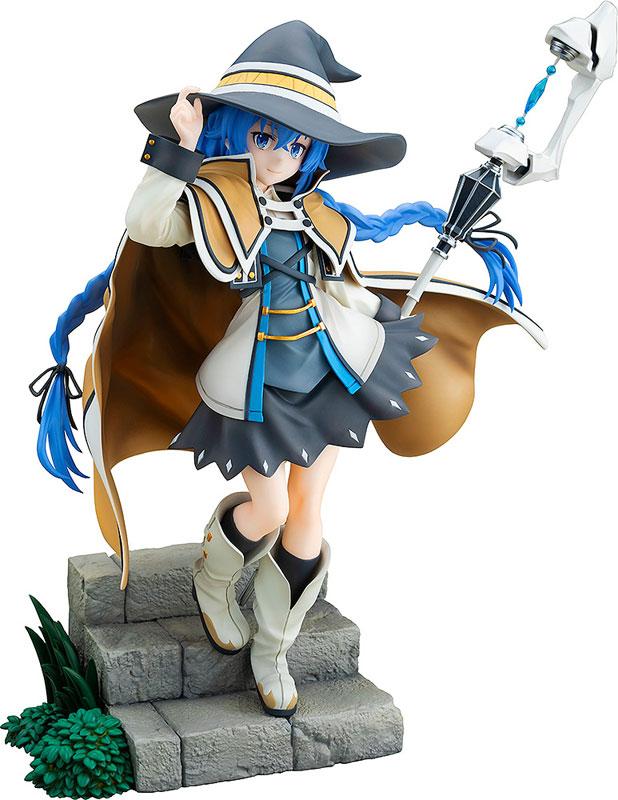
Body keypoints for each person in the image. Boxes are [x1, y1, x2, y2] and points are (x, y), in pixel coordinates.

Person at [30, 21, 542, 717]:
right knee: (268, 509)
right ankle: (214, 580)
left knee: (306, 519)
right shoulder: (213, 202)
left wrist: (387, 315)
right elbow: (147, 223)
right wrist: (179, 151)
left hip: (329, 374)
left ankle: (274, 649)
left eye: (296, 144)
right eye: (265, 136)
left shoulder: (319, 214)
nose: (279, 154)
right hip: (255, 383)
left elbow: (343, 288)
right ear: (238, 132)